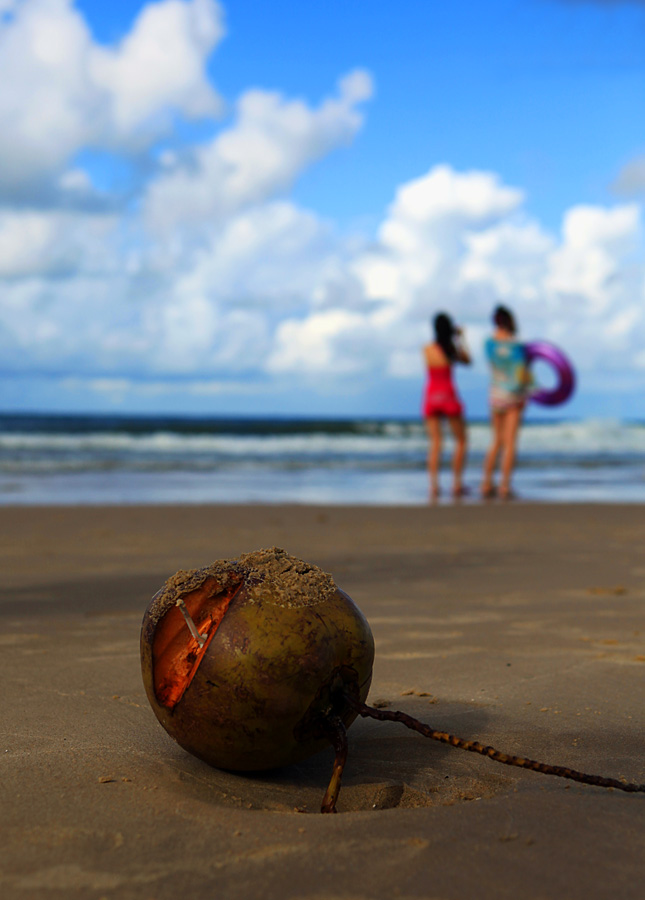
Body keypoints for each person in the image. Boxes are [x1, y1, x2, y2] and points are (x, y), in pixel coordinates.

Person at [481, 305, 531, 500]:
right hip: (513, 396)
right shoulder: (517, 345)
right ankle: (504, 486)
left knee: (496, 441)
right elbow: (521, 373)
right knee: (510, 443)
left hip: (495, 394)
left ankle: (486, 483)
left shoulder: (489, 344)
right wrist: (528, 392)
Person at [422, 312, 471, 499]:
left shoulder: (427, 349)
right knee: (461, 440)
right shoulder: (451, 350)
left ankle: (433, 486)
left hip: (431, 396)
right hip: (448, 395)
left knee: (435, 443)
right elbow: (468, 360)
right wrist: (460, 339)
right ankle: (456, 483)